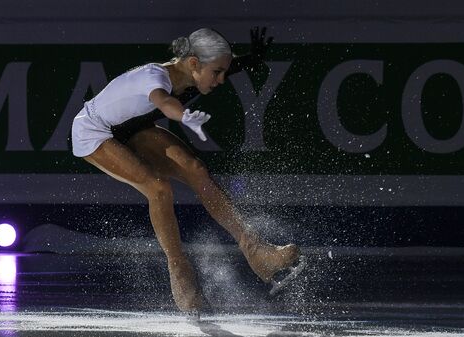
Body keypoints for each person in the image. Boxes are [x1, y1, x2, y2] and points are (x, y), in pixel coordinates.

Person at [71, 27, 304, 314]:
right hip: (95, 132)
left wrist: (252, 58)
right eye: (216, 73)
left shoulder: (194, 74)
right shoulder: (154, 78)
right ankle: (180, 273)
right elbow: (163, 101)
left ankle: (257, 251)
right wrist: (182, 115)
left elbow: (225, 70)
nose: (220, 80)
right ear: (194, 63)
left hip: (132, 129)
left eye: (222, 72)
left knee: (196, 169)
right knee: (158, 188)